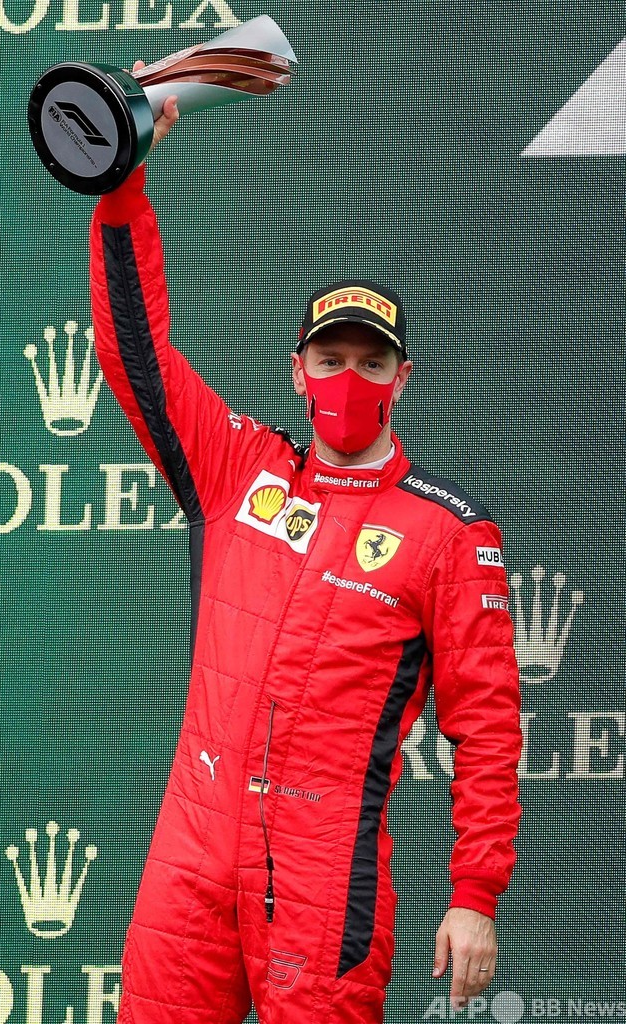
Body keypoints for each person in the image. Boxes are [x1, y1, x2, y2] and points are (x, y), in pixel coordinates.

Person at [88, 94, 522, 1024]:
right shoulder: (237, 469)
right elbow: (135, 354)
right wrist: (122, 188)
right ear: (297, 371)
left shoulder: (450, 531)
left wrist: (474, 893)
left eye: (371, 362)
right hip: (191, 856)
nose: (348, 379)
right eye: (330, 360)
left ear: (402, 378)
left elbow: (486, 729)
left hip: (324, 874)